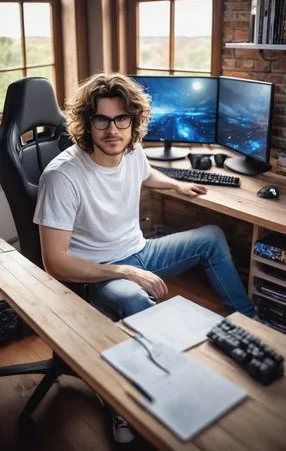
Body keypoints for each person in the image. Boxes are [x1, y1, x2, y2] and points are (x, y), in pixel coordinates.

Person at [33, 72, 255, 443]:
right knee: (137, 300)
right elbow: (55, 263)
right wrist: (124, 272)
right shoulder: (62, 177)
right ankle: (131, 404)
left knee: (212, 237)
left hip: (140, 252)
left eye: (122, 119)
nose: (112, 130)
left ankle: (248, 325)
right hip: (99, 273)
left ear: (133, 122)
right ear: (86, 123)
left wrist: (176, 184)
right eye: (101, 120)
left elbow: (146, 174)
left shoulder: (131, 150)